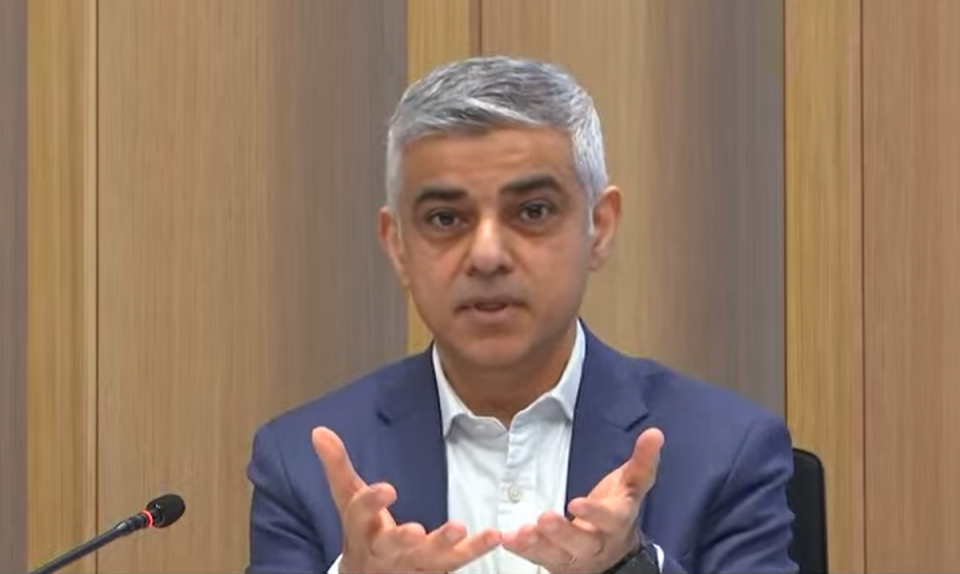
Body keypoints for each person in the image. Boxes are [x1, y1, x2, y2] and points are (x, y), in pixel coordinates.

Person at [246, 55, 797, 574]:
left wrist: (629, 568)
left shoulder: (726, 453)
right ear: (397, 247)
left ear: (599, 228)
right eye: (445, 218)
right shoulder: (302, 466)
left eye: (532, 212)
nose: (487, 255)